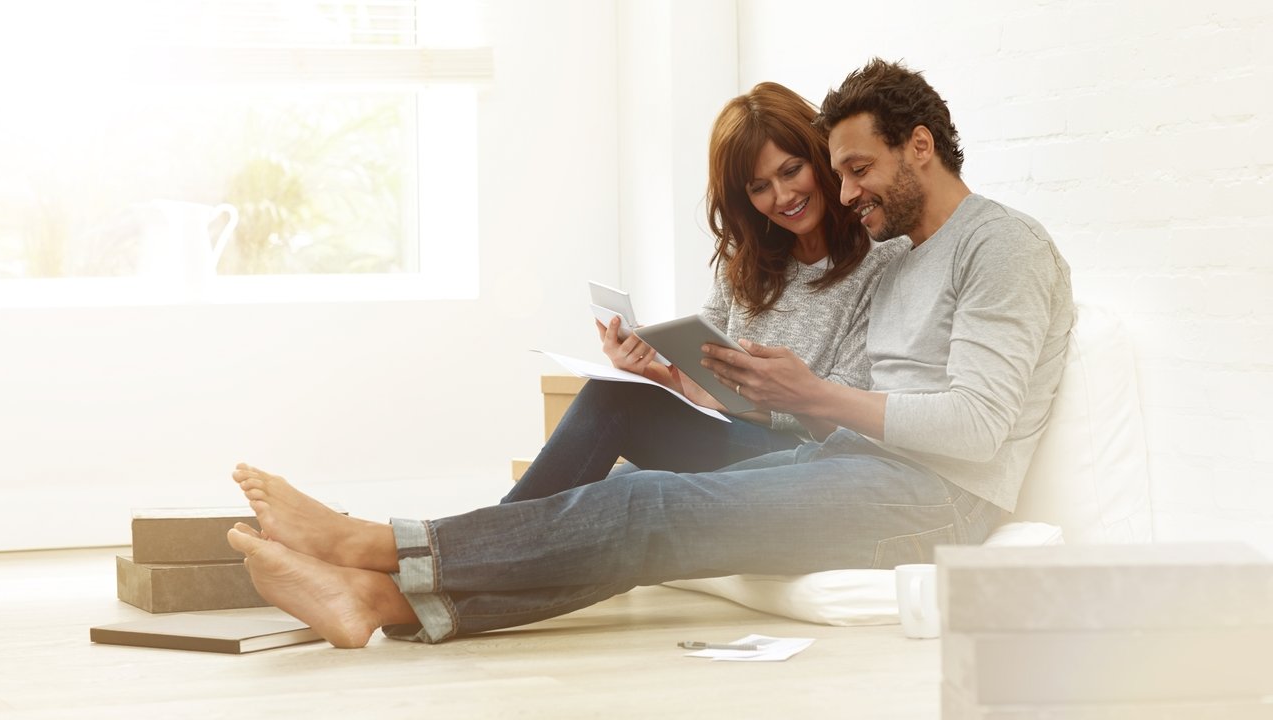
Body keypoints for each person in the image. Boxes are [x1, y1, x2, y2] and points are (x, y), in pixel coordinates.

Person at [225, 59, 1075, 648]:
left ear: (918, 146)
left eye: (855, 171)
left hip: (937, 502)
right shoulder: (916, 253)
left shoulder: (1002, 246)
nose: (844, 193)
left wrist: (815, 399)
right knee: (636, 491)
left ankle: (373, 548)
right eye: (841, 172)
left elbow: (977, 427)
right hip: (866, 464)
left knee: (648, 508)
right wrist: (690, 377)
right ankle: (378, 603)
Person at [503, 81, 902, 503]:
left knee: (615, 409)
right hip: (730, 434)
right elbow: (702, 381)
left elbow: (842, 413)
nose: (783, 196)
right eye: (759, 187)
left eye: (791, 170)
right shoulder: (747, 262)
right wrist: (650, 369)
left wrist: (732, 399)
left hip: (806, 455)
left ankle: (463, 548)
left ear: (820, 158)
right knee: (605, 490)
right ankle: (472, 547)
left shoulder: (881, 262)